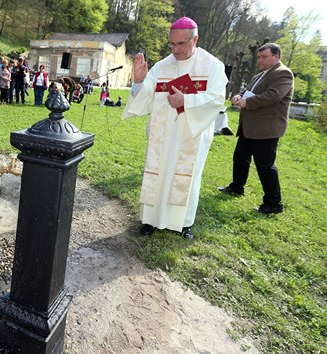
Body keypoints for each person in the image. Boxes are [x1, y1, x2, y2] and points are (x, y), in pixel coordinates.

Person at [121, 16, 227, 240]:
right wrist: (140, 81)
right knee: (158, 174)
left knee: (187, 177)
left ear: (195, 39)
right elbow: (146, 97)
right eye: (172, 44)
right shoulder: (162, 66)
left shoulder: (212, 66)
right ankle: (150, 220)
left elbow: (217, 99)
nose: (175, 50)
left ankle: (184, 223)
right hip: (163, 135)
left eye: (181, 44)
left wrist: (186, 101)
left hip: (191, 134)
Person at [219, 43, 293, 214]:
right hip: (249, 126)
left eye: (264, 57)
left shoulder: (283, 73)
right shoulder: (259, 75)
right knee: (240, 158)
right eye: (258, 57)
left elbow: (273, 96)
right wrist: (239, 96)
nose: (259, 60)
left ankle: (274, 204)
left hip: (267, 129)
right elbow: (248, 91)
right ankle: (237, 187)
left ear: (276, 57)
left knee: (265, 166)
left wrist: (248, 102)